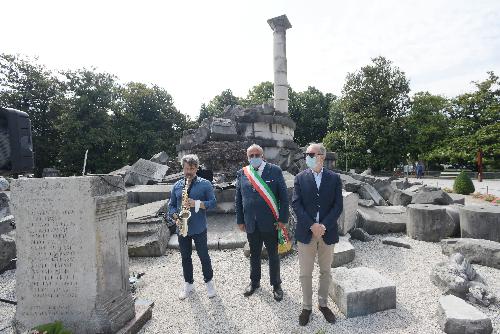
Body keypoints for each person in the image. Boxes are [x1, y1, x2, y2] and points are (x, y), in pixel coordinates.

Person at [292, 143, 343, 326]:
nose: (307, 156)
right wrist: (312, 225)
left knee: (325, 271)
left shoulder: (335, 178)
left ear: (321, 156)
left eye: (311, 154)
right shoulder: (300, 178)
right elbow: (296, 204)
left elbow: (338, 206)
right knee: (305, 273)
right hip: (306, 232)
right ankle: (307, 307)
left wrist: (323, 225)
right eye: (307, 154)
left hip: (327, 232)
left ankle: (323, 304)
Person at [235, 144, 289, 301]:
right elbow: (238, 199)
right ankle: (254, 282)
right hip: (251, 222)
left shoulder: (275, 170)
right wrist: (240, 220)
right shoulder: (242, 173)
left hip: (271, 222)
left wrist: (282, 220)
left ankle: (276, 284)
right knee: (254, 254)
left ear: (263, 156)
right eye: (251, 156)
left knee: (273, 254)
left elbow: (284, 198)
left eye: (257, 155)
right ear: (247, 157)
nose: (254, 158)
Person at [168, 154, 217, 300]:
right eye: (187, 168)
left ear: (196, 168)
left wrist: (196, 203)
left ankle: (209, 282)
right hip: (182, 227)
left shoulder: (205, 184)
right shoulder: (177, 185)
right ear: (183, 168)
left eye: (192, 168)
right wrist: (176, 217)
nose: (189, 171)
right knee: (185, 257)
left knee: (204, 256)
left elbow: (213, 203)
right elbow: (171, 206)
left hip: (199, 227)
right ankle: (188, 284)